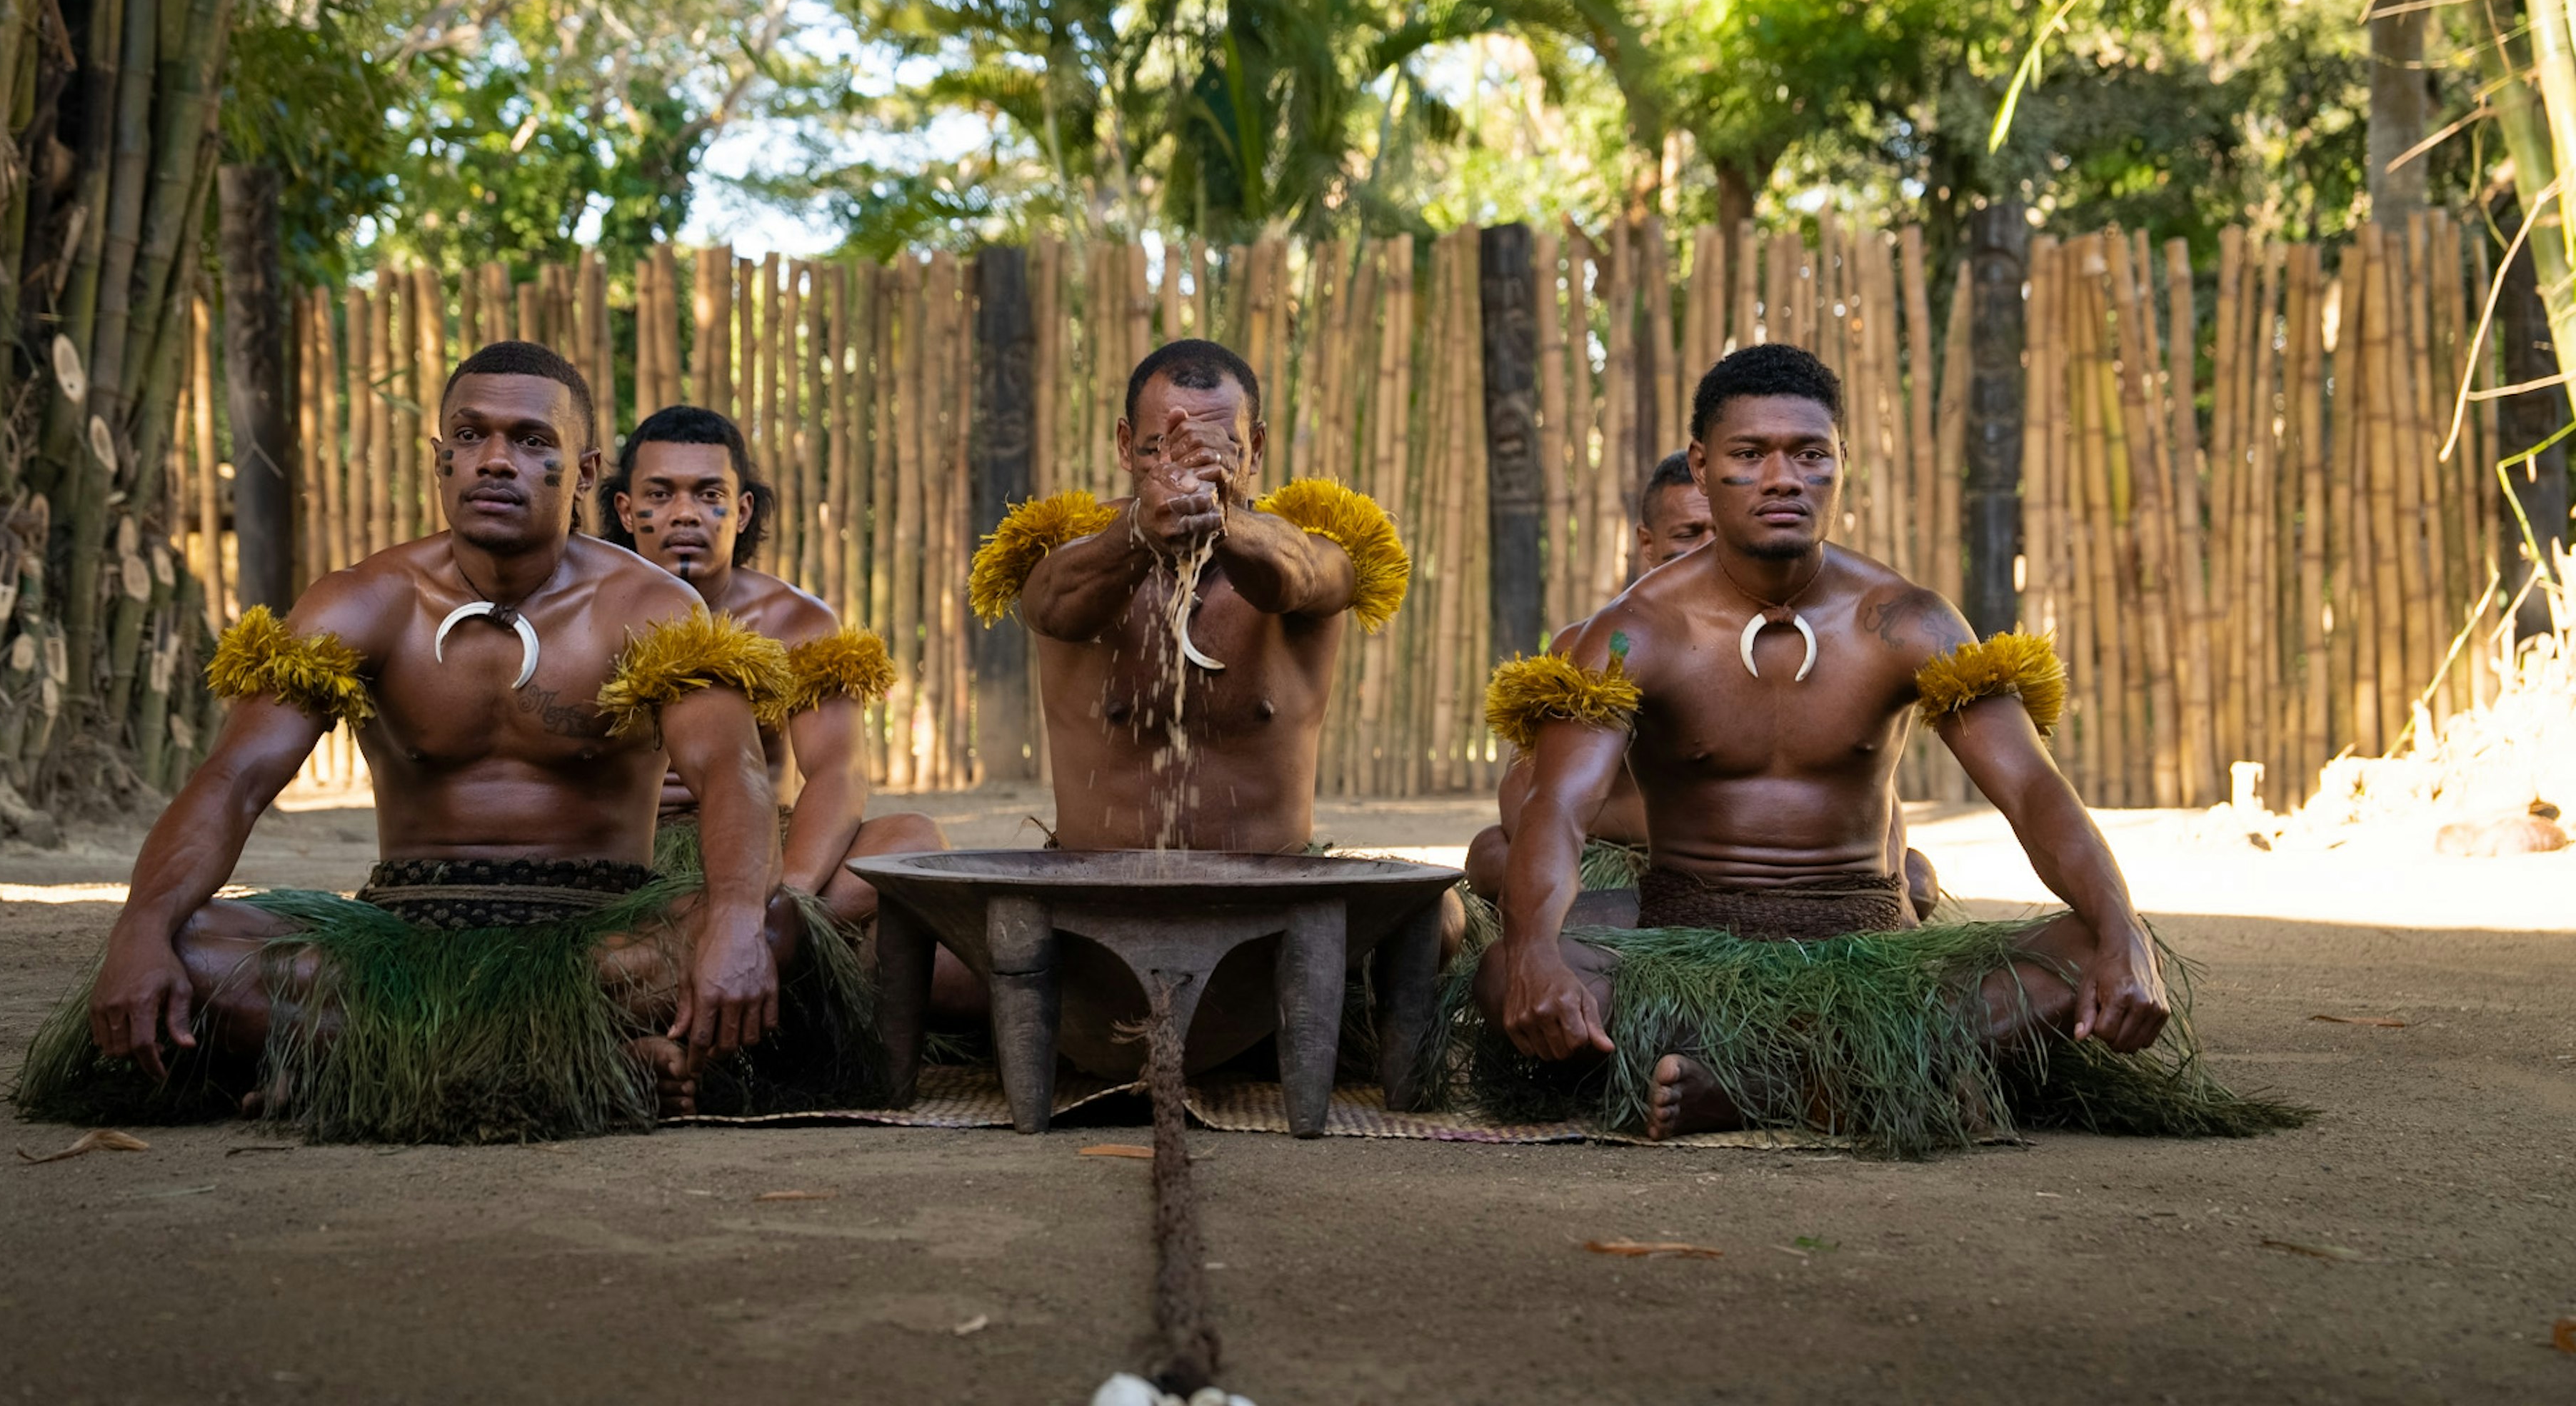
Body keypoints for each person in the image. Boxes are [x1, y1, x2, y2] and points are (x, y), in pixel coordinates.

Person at [1470, 343, 2299, 1155]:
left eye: (1810, 456)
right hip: (1695, 942)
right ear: (1702, 463)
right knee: (1508, 969)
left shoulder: (1907, 622)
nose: (1784, 479)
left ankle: (1757, 1084)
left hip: (1871, 951)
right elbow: (1558, 807)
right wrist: (1541, 950)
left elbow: (2035, 794)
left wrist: (2124, 930)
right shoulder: (1633, 633)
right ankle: (1868, 1077)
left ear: (1842, 467)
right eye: (1750, 455)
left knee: (2089, 948)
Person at [15, 342, 800, 1140]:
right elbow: (235, 780)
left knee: (775, 924)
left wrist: (733, 918)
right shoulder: (364, 602)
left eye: (532, 441)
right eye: (470, 436)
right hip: (400, 936)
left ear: (588, 471)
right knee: (188, 944)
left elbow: (733, 775)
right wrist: (140, 928)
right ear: (439, 459)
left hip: (598, 941)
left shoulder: (652, 606)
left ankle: (352, 1066)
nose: (495, 461)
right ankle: (583, 1067)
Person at [965, 338, 1415, 1071]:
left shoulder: (1315, 548)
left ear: (1257, 447)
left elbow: (1302, 579)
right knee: (920, 950)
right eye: (1158, 453)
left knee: (1442, 921)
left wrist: (1221, 514)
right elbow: (1051, 605)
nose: (1180, 474)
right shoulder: (1071, 550)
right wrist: (1140, 532)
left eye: (1214, 453)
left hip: (1270, 928)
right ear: (1122, 445)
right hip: (1092, 926)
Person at [603, 404, 975, 1013]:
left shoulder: (796, 622)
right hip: (634, 870)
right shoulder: (587, 609)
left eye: (709, 493)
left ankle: (741, 951)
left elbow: (837, 771)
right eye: (660, 494)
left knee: (913, 838)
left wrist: (786, 903)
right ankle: (760, 973)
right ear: (625, 509)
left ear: (742, 509)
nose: (686, 512)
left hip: (769, 856)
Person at [1463, 452, 1713, 903]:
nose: (1707, 551)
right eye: (1688, 534)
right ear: (1648, 543)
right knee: (1488, 854)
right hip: (1603, 865)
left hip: (1718, 872)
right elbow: (1520, 798)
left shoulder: (1776, 646)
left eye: (1720, 534)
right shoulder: (1590, 647)